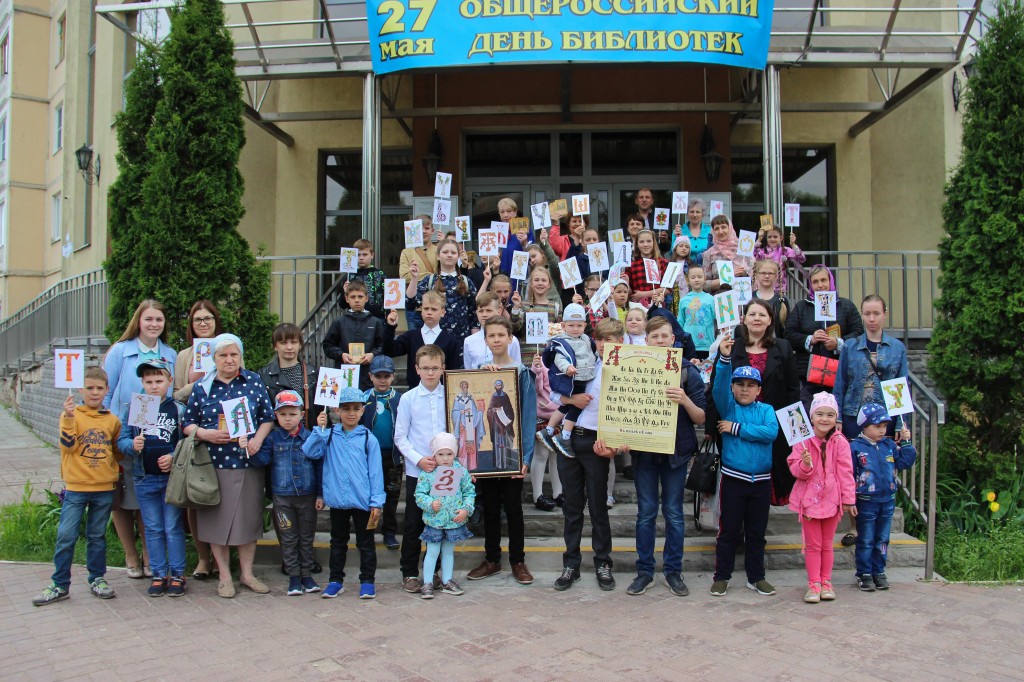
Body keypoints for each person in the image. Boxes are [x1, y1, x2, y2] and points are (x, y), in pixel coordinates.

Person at [183, 333, 275, 599]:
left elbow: (267, 417)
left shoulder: (253, 381)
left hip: (247, 461)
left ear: (240, 356)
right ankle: (224, 576)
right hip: (213, 464)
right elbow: (187, 423)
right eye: (223, 355)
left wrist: (258, 439)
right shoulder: (203, 387)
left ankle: (247, 574)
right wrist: (206, 434)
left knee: (248, 520)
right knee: (216, 522)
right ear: (214, 358)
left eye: (234, 354)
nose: (229, 359)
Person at [621, 316, 707, 597]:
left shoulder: (688, 372)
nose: (660, 341)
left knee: (674, 514)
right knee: (646, 514)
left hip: (676, 454)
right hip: (645, 453)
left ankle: (673, 571)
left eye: (664, 336)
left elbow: (701, 417)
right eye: (654, 336)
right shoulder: (633, 368)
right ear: (646, 340)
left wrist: (684, 399)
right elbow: (621, 407)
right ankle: (645, 572)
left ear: (673, 340)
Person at [32, 368, 122, 606]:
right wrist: (69, 418)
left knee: (97, 536)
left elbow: (117, 451)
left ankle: (97, 578)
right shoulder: (70, 415)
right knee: (66, 536)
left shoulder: (112, 420)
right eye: (90, 388)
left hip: (104, 488)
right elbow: (68, 447)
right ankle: (60, 584)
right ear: (81, 389)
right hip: (76, 488)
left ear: (107, 390)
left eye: (99, 388)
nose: (94, 392)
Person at [104, 299, 177, 580]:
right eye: (149, 319)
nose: (154, 324)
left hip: (158, 436)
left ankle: (150, 554)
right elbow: (107, 392)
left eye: (159, 319)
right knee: (123, 496)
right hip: (124, 432)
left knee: (147, 495)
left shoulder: (169, 353)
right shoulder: (120, 351)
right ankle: (130, 554)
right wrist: (107, 428)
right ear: (138, 321)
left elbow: (173, 392)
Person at [553, 317, 624, 591]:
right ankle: (571, 564)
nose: (605, 345)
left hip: (597, 442)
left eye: (611, 340)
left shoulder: (625, 372)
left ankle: (603, 562)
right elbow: (557, 395)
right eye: (601, 340)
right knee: (571, 507)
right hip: (571, 439)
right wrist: (572, 400)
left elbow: (628, 413)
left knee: (598, 507)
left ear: (621, 342)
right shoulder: (584, 363)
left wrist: (616, 445)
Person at [707, 298, 801, 504]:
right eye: (752, 314)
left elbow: (793, 390)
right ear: (744, 319)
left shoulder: (783, 347)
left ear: (770, 320)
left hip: (772, 423)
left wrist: (796, 431)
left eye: (762, 315)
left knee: (771, 479)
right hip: (735, 422)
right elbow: (717, 386)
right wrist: (710, 426)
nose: (757, 318)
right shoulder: (730, 347)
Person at [832, 294, 908, 547]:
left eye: (876, 313)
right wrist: (838, 416)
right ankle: (855, 527)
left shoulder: (897, 348)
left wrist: (901, 422)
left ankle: (879, 526)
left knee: (882, 469)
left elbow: (901, 387)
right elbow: (840, 384)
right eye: (867, 314)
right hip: (854, 416)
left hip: (884, 419)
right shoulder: (850, 347)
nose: (872, 319)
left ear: (885, 314)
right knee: (855, 471)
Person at [467, 317, 536, 585]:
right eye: (491, 335)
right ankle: (492, 559)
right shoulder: (479, 373)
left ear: (510, 338)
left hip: (511, 448)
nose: (496, 339)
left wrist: (525, 457)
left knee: (514, 507)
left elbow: (526, 416)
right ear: (485, 340)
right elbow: (479, 411)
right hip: (489, 448)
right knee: (491, 507)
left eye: (501, 335)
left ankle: (518, 560)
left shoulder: (521, 373)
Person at [709, 357, 780, 598]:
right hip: (733, 480)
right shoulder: (728, 407)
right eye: (739, 384)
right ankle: (722, 577)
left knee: (757, 533)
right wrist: (723, 360)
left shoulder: (766, 410)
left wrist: (736, 428)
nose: (745, 389)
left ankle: (756, 577)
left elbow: (770, 432)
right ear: (732, 387)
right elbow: (719, 388)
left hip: (761, 482)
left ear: (759, 389)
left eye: (751, 385)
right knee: (728, 531)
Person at [305, 387, 384, 600]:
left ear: (362, 411)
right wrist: (319, 430)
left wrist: (377, 501)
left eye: (356, 409)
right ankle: (335, 581)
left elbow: (376, 472)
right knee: (338, 542)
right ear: (337, 411)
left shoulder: (368, 439)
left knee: (366, 543)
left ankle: (367, 581)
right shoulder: (329, 435)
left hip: (363, 501)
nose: (351, 413)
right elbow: (310, 452)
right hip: (338, 500)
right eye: (346, 408)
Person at [116, 359, 186, 598]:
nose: (154, 386)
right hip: (144, 478)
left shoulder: (177, 409)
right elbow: (122, 440)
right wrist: (131, 445)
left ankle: (177, 573)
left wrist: (173, 456)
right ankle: (158, 573)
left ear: (169, 381)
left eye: (159, 381)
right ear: (142, 383)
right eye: (148, 382)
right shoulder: (137, 407)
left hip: (171, 479)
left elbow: (187, 443)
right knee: (153, 528)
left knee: (172, 527)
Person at [247, 390, 322, 596]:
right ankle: (294, 577)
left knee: (306, 537)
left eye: (292, 414)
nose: (287, 418)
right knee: (288, 537)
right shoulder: (272, 439)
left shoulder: (310, 437)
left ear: (301, 415)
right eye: (282, 414)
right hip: (282, 498)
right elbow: (262, 460)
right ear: (276, 416)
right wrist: (248, 449)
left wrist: (320, 494)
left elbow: (319, 466)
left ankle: (307, 574)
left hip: (307, 496)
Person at [787, 392, 856, 603]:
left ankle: (826, 582)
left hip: (832, 501)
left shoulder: (840, 442)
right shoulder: (802, 440)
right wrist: (805, 463)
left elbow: (846, 471)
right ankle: (813, 583)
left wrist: (848, 499)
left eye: (830, 414)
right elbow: (795, 470)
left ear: (836, 418)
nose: (824, 419)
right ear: (811, 416)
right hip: (809, 501)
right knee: (813, 546)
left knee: (827, 545)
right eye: (819, 414)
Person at [394, 344, 450, 594]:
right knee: (414, 522)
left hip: (444, 471)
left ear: (443, 368)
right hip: (418, 471)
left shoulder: (448, 395)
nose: (430, 373)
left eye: (435, 368)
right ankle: (409, 571)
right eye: (425, 368)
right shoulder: (408, 399)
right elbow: (400, 436)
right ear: (416, 369)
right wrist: (418, 459)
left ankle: (434, 571)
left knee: (439, 521)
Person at [173, 300, 221, 581]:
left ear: (216, 322)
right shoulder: (184, 356)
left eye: (208, 319)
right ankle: (203, 557)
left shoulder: (227, 347)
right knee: (195, 495)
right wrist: (200, 384)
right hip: (194, 431)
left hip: (222, 431)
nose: (203, 323)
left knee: (220, 495)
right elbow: (176, 394)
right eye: (198, 319)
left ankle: (220, 556)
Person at [850, 403, 917, 592]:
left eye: (885, 426)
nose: (882, 430)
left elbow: (904, 462)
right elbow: (848, 475)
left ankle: (878, 571)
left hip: (887, 500)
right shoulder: (855, 447)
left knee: (882, 539)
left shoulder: (889, 445)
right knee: (866, 539)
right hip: (866, 501)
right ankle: (864, 573)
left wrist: (906, 443)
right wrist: (850, 500)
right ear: (864, 426)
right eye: (877, 426)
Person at [784, 264, 864, 406]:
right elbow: (789, 334)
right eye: (815, 282)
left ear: (830, 281)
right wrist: (810, 339)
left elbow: (859, 332)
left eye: (823, 280)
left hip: (840, 372)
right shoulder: (801, 307)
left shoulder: (846, 306)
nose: (820, 285)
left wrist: (839, 343)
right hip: (808, 375)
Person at [415, 432, 476, 599]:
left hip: (453, 522)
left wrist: (466, 509)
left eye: (449, 454)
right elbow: (419, 494)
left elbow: (469, 492)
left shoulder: (461, 472)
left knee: (448, 552)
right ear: (434, 455)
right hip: (434, 521)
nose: (445, 458)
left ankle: (447, 580)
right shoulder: (428, 473)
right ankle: (428, 582)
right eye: (440, 454)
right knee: (432, 551)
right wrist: (430, 504)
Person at [538, 304, 598, 460]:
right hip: (573, 379)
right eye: (571, 325)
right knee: (576, 407)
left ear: (585, 325)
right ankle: (564, 436)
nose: (575, 329)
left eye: (579, 325)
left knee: (565, 406)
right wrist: (567, 368)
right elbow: (560, 358)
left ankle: (548, 430)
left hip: (584, 376)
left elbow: (593, 352)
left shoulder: (586, 339)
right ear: (563, 326)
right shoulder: (562, 341)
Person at [360, 355, 403, 551]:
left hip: (392, 457)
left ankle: (389, 532)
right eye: (378, 376)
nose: (383, 380)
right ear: (370, 376)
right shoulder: (363, 399)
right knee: (368, 495)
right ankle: (367, 532)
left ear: (393, 376)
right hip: (369, 457)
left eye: (387, 376)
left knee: (392, 496)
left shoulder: (400, 399)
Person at [408, 238, 479, 353]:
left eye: (453, 252)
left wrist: (474, 341)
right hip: (434, 341)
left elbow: (474, 314)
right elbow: (410, 303)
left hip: (460, 341)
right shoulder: (429, 280)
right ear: (438, 256)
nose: (449, 255)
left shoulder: (466, 282)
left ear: (458, 256)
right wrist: (414, 278)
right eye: (445, 252)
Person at [384, 291, 462, 388]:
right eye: (426, 308)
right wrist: (390, 327)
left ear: (442, 312)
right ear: (421, 311)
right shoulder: (411, 336)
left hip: (441, 393)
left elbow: (453, 372)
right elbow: (389, 350)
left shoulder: (450, 341)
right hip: (414, 392)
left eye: (434, 309)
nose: (429, 312)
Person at [323, 280, 385, 391]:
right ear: (347, 299)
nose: (357, 300)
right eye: (353, 297)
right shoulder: (339, 322)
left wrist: (373, 355)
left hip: (369, 374)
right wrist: (341, 355)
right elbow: (328, 346)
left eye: (360, 297)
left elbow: (383, 346)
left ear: (366, 298)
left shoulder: (375, 322)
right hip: (345, 374)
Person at [530, 352, 563, 511]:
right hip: (543, 415)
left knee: (557, 455)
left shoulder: (565, 363)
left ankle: (558, 492)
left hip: (560, 414)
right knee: (541, 454)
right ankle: (537, 495)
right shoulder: (542, 363)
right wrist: (537, 369)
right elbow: (536, 388)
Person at [398, 214, 438, 332]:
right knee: (415, 339)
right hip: (414, 305)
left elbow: (441, 275)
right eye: (420, 228)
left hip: (435, 304)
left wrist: (417, 275)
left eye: (427, 228)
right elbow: (404, 276)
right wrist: (430, 276)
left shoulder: (439, 250)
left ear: (432, 231)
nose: (424, 231)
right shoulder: (406, 252)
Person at [464, 291, 522, 371]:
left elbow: (517, 369)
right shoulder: (469, 341)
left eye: (489, 310)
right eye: (481, 311)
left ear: (499, 311)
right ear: (476, 313)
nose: (484, 315)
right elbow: (468, 371)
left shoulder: (512, 340)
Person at [702, 216, 755, 293]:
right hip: (719, 297)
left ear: (730, 228)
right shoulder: (709, 254)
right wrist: (729, 277)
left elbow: (755, 277)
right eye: (717, 228)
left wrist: (744, 273)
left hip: (742, 295)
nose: (720, 231)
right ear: (713, 231)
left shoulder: (743, 249)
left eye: (723, 227)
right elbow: (705, 285)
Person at [510, 266, 562, 341]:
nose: (540, 283)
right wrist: (516, 307)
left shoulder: (555, 307)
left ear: (549, 284)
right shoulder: (523, 305)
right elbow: (514, 328)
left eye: (543, 280)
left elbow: (559, 332)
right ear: (531, 283)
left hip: (548, 347)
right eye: (536, 280)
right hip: (527, 348)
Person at [676, 268, 716, 359]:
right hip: (689, 343)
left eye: (699, 277)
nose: (696, 280)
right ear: (688, 280)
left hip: (707, 344)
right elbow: (680, 322)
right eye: (693, 277)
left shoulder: (711, 299)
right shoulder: (683, 300)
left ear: (704, 278)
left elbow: (718, 318)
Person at [755, 224, 805, 295]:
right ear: (766, 238)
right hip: (762, 287)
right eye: (769, 237)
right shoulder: (762, 252)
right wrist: (759, 239)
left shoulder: (784, 250)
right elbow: (751, 256)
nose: (772, 239)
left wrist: (793, 244)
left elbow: (801, 258)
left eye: (775, 237)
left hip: (779, 289)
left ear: (781, 238)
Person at [344, 238, 386, 320]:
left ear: (372, 255)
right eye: (358, 255)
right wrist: (345, 292)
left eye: (365, 254)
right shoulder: (350, 276)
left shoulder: (380, 275)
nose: (361, 258)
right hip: (355, 318)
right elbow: (342, 304)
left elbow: (388, 299)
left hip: (377, 318)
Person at [751, 259, 790, 340]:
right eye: (763, 273)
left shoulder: (782, 300)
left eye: (770, 273)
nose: (767, 276)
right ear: (756, 275)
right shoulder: (750, 298)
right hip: (753, 343)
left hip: (776, 344)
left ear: (776, 276)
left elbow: (788, 327)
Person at [627, 229, 667, 308]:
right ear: (637, 244)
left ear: (653, 243)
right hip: (638, 307)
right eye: (641, 242)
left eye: (649, 241)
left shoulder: (663, 263)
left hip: (658, 305)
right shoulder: (632, 266)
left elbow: (667, 289)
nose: (645, 245)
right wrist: (625, 281)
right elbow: (630, 293)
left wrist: (643, 294)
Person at [451, 380, 485, 471]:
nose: (465, 388)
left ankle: (471, 465)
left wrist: (480, 413)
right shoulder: (457, 399)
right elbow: (454, 413)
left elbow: (475, 412)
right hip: (463, 426)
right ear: (461, 387)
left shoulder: (470, 398)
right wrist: (462, 412)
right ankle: (463, 465)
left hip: (471, 425)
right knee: (463, 445)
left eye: (466, 387)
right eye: (463, 387)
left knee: (471, 445)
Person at [671, 198, 713, 264]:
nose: (694, 215)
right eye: (692, 212)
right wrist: (676, 238)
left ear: (703, 214)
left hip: (706, 267)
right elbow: (672, 254)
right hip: (685, 268)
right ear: (687, 214)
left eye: (698, 212)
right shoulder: (679, 231)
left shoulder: (710, 231)